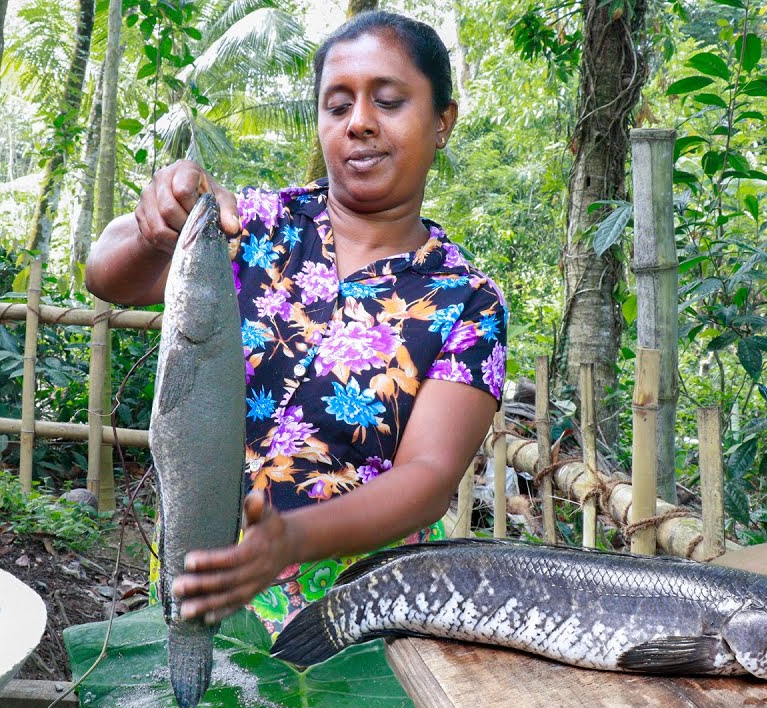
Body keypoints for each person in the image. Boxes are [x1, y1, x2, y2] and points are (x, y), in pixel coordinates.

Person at [86, 10, 507, 638]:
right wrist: (161, 216)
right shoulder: (254, 227)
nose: (359, 122)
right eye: (337, 106)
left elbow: (427, 479)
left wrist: (290, 539)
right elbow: (106, 273)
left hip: (358, 616)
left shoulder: (467, 302)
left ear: (442, 120)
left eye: (388, 101)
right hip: (197, 573)